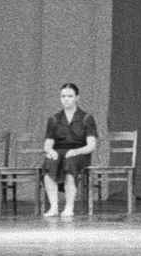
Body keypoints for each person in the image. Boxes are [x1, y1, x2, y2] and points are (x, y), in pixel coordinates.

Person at [42, 83, 99, 218]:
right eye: (63, 96)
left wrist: (76, 151)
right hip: (59, 151)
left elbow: (91, 145)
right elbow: (48, 144)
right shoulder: (54, 119)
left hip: (80, 153)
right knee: (48, 163)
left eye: (70, 96)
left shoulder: (86, 118)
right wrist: (50, 151)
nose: (66, 99)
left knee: (70, 162)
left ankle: (69, 207)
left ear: (77, 97)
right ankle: (54, 207)